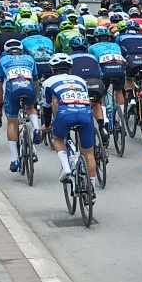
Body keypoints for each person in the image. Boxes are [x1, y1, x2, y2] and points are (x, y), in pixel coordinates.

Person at [40, 54, 100, 192]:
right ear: (70, 68)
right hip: (85, 113)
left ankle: (66, 168)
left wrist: (48, 125)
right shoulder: (80, 80)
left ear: (52, 69)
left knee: (58, 139)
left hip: (65, 114)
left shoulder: (48, 82)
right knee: (89, 153)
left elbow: (47, 106)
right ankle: (91, 188)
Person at [0, 38, 39, 172]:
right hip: (28, 87)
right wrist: (35, 99)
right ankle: (36, 129)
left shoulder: (3, 60)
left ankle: (14, 159)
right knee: (30, 108)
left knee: (12, 122)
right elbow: (36, 80)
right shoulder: (29, 59)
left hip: (12, 90)